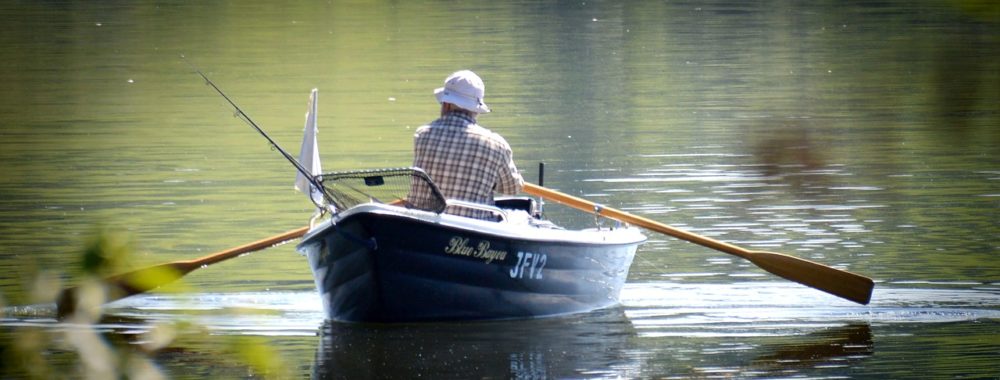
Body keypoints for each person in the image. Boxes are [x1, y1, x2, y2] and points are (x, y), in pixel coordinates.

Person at [408, 70, 524, 220]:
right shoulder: (497, 145)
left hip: (423, 224)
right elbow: (512, 188)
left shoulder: (422, 135)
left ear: (447, 104)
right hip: (472, 229)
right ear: (476, 108)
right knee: (522, 217)